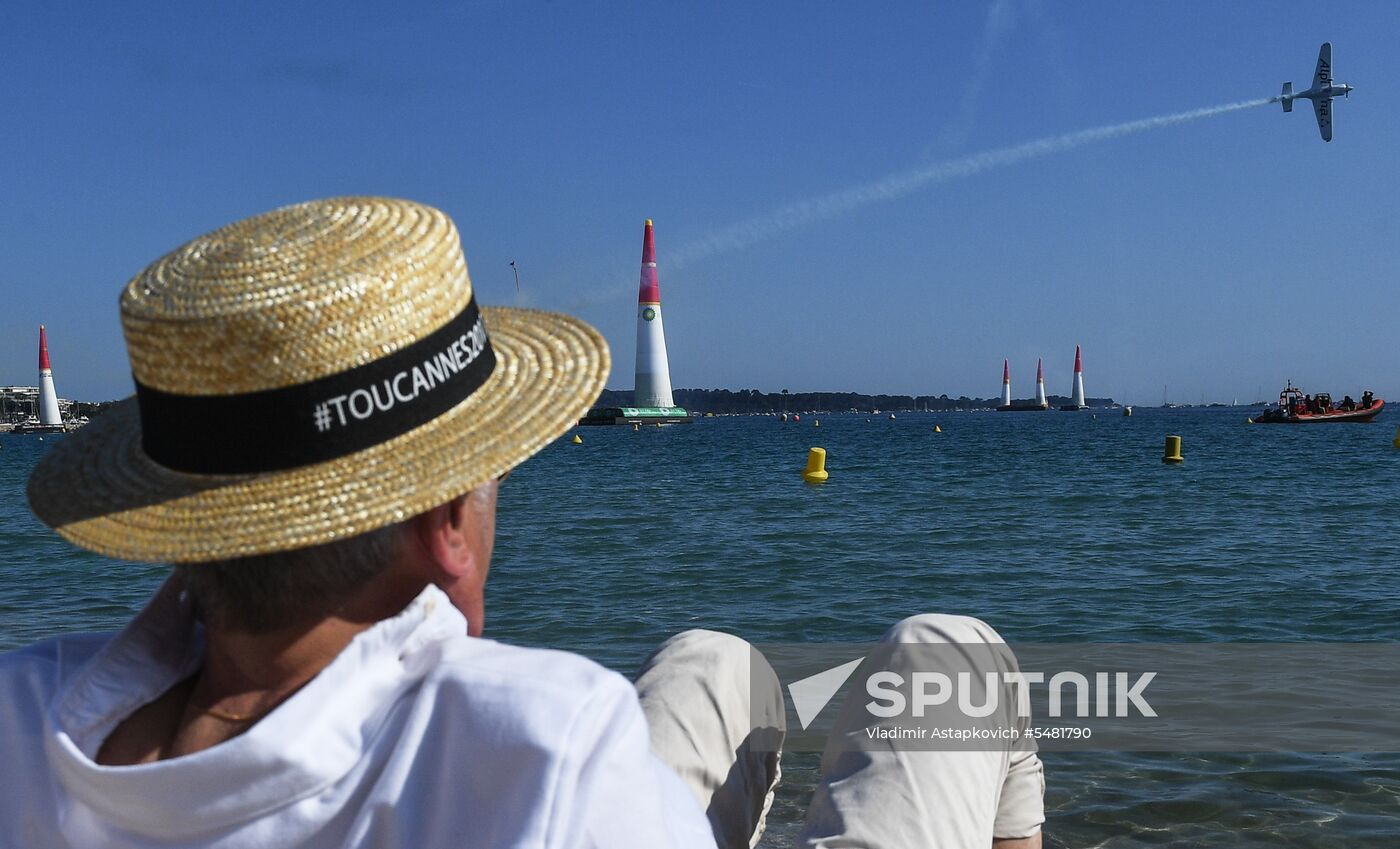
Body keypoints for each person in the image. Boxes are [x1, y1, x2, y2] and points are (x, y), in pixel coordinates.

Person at [1, 198, 1043, 848]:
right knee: (950, 654)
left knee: (713, 663)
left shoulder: (21, 718)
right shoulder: (541, 746)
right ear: (449, 525)